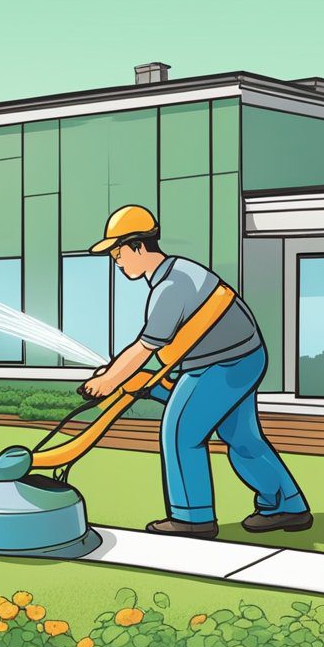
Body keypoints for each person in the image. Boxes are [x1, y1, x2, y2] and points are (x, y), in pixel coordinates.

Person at [80, 205, 311, 538]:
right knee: (243, 438)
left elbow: (145, 348)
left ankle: (193, 518)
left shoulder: (171, 287)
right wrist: (123, 375)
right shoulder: (179, 273)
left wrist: (107, 381)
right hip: (244, 358)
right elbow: (174, 347)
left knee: (180, 433)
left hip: (222, 364)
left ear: (138, 246)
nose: (116, 261)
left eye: (118, 253)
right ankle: (288, 506)